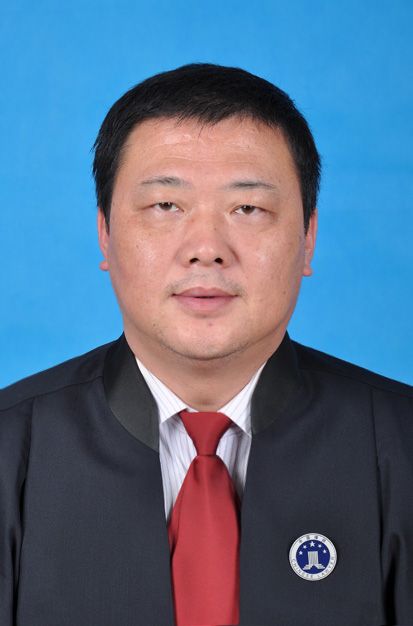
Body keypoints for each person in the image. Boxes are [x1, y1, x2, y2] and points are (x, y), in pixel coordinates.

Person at [0, 63, 412, 626]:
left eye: (248, 209)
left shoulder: (400, 447)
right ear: (105, 234)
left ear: (308, 238)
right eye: (165, 206)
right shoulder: (11, 452)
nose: (206, 248)